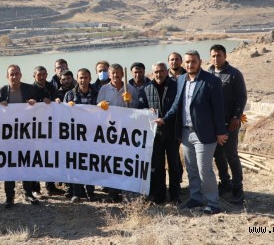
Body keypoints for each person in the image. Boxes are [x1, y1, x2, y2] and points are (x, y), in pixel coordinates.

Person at [155, 50, 227, 215]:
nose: (190, 65)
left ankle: (213, 203)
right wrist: (164, 119)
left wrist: (220, 131)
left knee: (204, 169)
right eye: (187, 62)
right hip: (186, 132)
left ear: (200, 62)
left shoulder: (211, 81)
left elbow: (218, 109)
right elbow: (176, 105)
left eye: (193, 61)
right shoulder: (181, 80)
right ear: (183, 63)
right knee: (192, 168)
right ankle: (195, 198)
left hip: (205, 134)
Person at [208, 44, 247, 204]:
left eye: (219, 55)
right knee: (217, 154)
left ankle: (238, 189)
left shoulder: (234, 74)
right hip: (213, 124)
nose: (216, 59)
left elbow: (241, 96)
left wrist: (236, 116)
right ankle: (225, 182)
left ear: (225, 56)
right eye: (213, 56)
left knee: (231, 155)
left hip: (229, 123)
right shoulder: (208, 73)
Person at [0, 64, 39, 208]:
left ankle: (28, 194)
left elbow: (40, 110)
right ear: (7, 76)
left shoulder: (30, 89)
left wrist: (35, 104)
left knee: (27, 164)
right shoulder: (1, 91)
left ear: (20, 75)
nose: (14, 77)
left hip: (26, 134)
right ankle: (9, 196)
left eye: (16, 74)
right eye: (11, 74)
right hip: (8, 136)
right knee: (10, 166)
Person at [139, 62, 181, 205]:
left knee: (174, 166)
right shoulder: (146, 88)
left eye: (162, 71)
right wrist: (146, 111)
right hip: (154, 135)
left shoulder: (175, 86)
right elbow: (140, 108)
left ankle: (175, 195)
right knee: (157, 167)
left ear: (166, 71)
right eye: (156, 71)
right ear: (152, 73)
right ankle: (160, 195)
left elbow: (177, 106)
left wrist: (166, 119)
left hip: (171, 133)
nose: (159, 74)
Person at [97, 63, 139, 202]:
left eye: (118, 73)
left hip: (127, 132)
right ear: (109, 75)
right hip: (111, 132)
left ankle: (128, 194)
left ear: (122, 74)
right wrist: (100, 106)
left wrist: (131, 101)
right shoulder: (103, 89)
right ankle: (113, 193)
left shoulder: (131, 89)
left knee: (126, 163)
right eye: (112, 73)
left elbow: (138, 110)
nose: (115, 75)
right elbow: (97, 109)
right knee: (113, 164)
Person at [64, 68, 98, 203]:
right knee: (76, 164)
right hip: (75, 136)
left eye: (85, 78)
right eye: (80, 78)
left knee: (90, 163)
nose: (83, 80)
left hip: (92, 135)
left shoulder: (96, 93)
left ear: (90, 78)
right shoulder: (69, 95)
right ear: (77, 79)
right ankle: (76, 192)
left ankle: (91, 192)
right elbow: (63, 115)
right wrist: (67, 107)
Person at [31, 65, 66, 197]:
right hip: (36, 129)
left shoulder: (51, 87)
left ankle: (51, 187)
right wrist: (40, 101)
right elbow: (27, 104)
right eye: (39, 75)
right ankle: (35, 189)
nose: (41, 77)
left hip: (51, 128)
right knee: (36, 159)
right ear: (34, 76)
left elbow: (58, 99)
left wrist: (56, 100)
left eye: (44, 74)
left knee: (49, 157)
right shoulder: (30, 88)